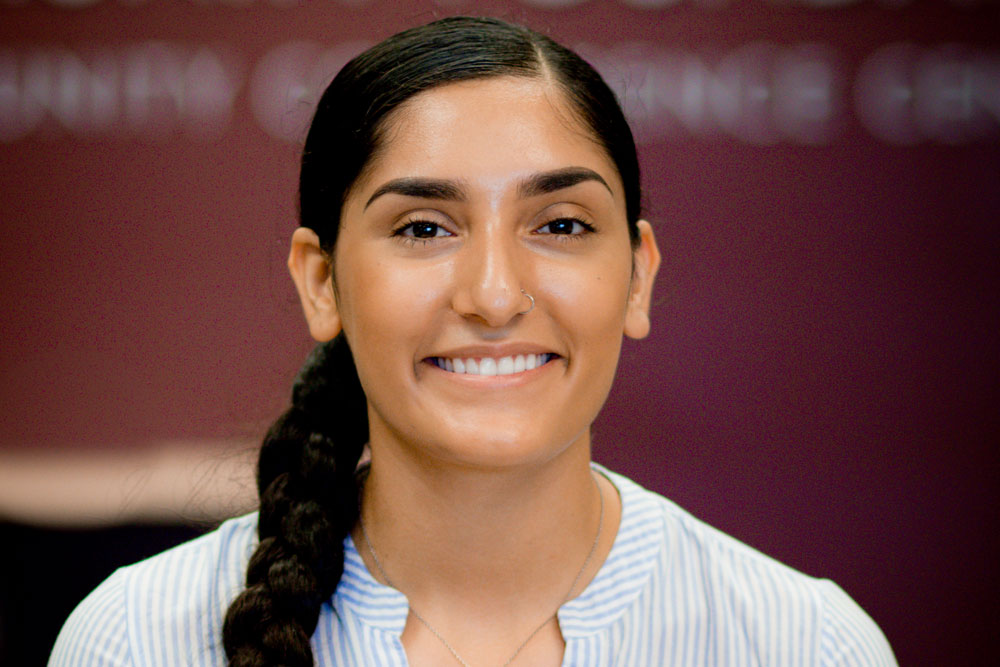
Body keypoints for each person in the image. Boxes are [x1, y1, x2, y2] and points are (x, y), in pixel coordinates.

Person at [49, 16, 896, 667]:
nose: (494, 295)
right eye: (423, 228)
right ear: (320, 280)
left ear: (638, 276)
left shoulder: (802, 641)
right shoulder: (139, 637)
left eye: (561, 223)